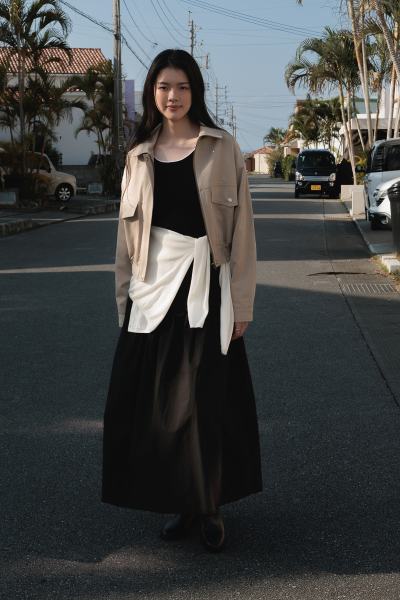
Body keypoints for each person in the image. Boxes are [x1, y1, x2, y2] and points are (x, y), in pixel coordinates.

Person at [102, 49, 262, 554]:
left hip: (206, 288)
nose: (173, 96)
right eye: (163, 87)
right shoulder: (138, 156)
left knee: (205, 401)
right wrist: (124, 301)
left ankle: (209, 506)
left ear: (196, 91)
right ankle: (182, 503)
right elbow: (127, 241)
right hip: (152, 293)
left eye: (182, 86)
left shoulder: (222, 147)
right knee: (157, 405)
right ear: (152, 93)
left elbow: (242, 233)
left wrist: (241, 304)